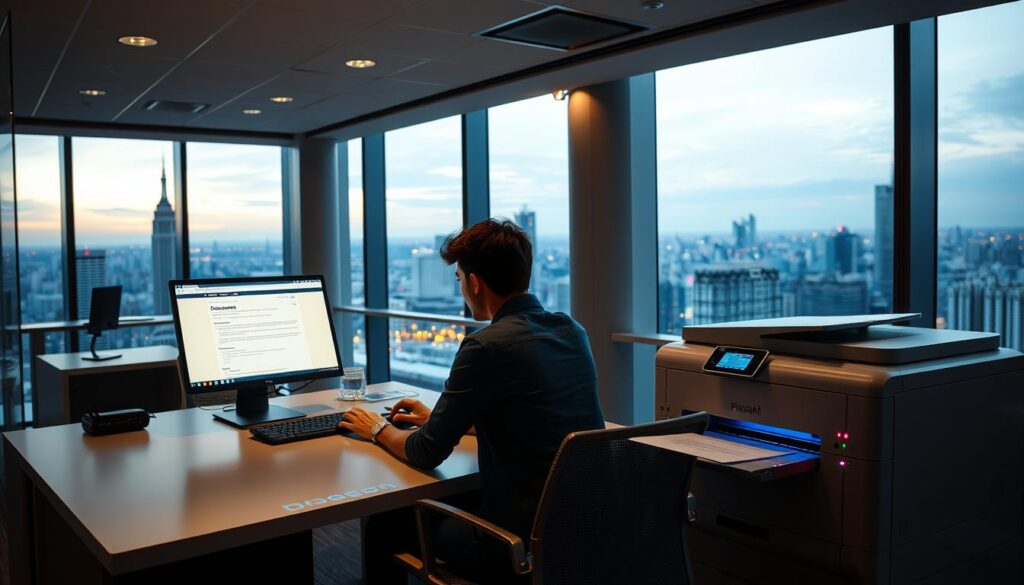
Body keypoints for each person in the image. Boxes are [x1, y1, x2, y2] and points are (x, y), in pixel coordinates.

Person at [340, 218, 605, 584]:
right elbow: (531, 417)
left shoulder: (485, 347)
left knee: (386, 524)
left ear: (475, 282)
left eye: (460, 279)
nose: (462, 288)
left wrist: (378, 428)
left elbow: (425, 453)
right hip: (580, 530)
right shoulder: (572, 331)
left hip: (511, 545)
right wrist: (441, 419)